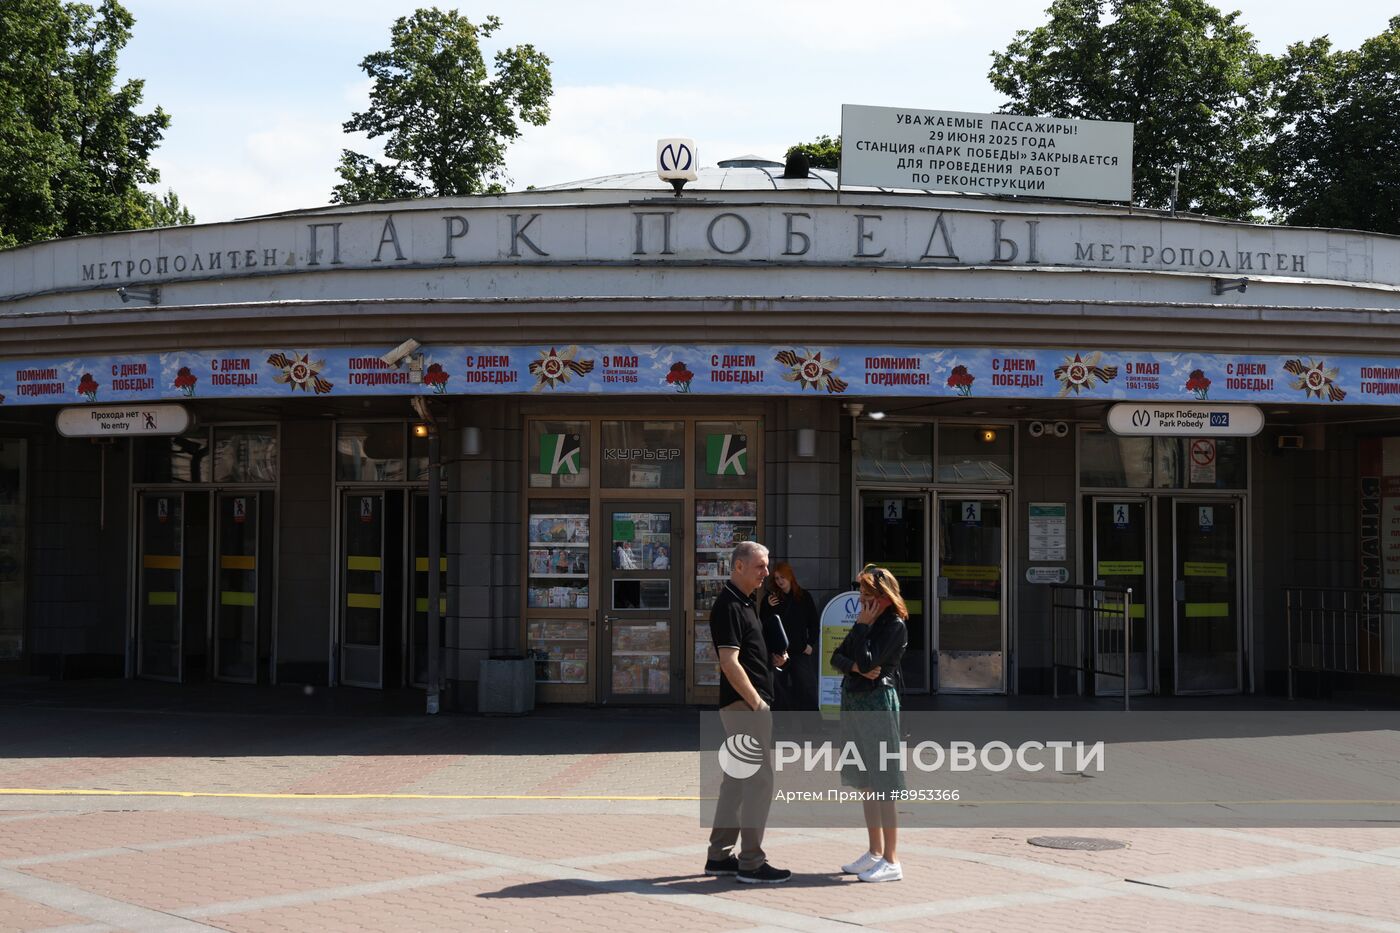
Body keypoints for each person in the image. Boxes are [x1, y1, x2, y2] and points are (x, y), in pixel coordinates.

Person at [704, 540, 792, 884]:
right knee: (759, 782)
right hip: (744, 707)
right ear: (738, 566)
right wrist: (756, 703)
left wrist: (771, 657)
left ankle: (719, 856)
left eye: (767, 566)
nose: (766, 573)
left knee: (737, 784)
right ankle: (752, 862)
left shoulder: (744, 603)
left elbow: (745, 655)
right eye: (760, 566)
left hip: (744, 705)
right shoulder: (728, 605)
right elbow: (728, 662)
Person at [830, 564, 909, 883]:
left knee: (884, 781)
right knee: (865, 779)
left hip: (877, 702)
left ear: (884, 597)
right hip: (854, 701)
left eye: (867, 595)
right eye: (861, 595)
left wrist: (859, 659)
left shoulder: (893, 625)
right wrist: (858, 668)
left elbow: (865, 661)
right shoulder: (867, 621)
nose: (862, 601)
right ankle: (874, 851)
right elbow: (836, 658)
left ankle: (891, 859)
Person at [760, 562, 821, 711]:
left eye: (783, 577)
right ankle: (780, 725)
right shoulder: (771, 598)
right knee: (778, 690)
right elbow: (764, 623)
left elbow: (813, 623)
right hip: (779, 651)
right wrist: (768, 606)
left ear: (790, 577)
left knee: (806, 688)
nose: (780, 581)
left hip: (800, 650)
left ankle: (810, 725)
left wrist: (810, 644)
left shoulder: (803, 596)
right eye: (776, 578)